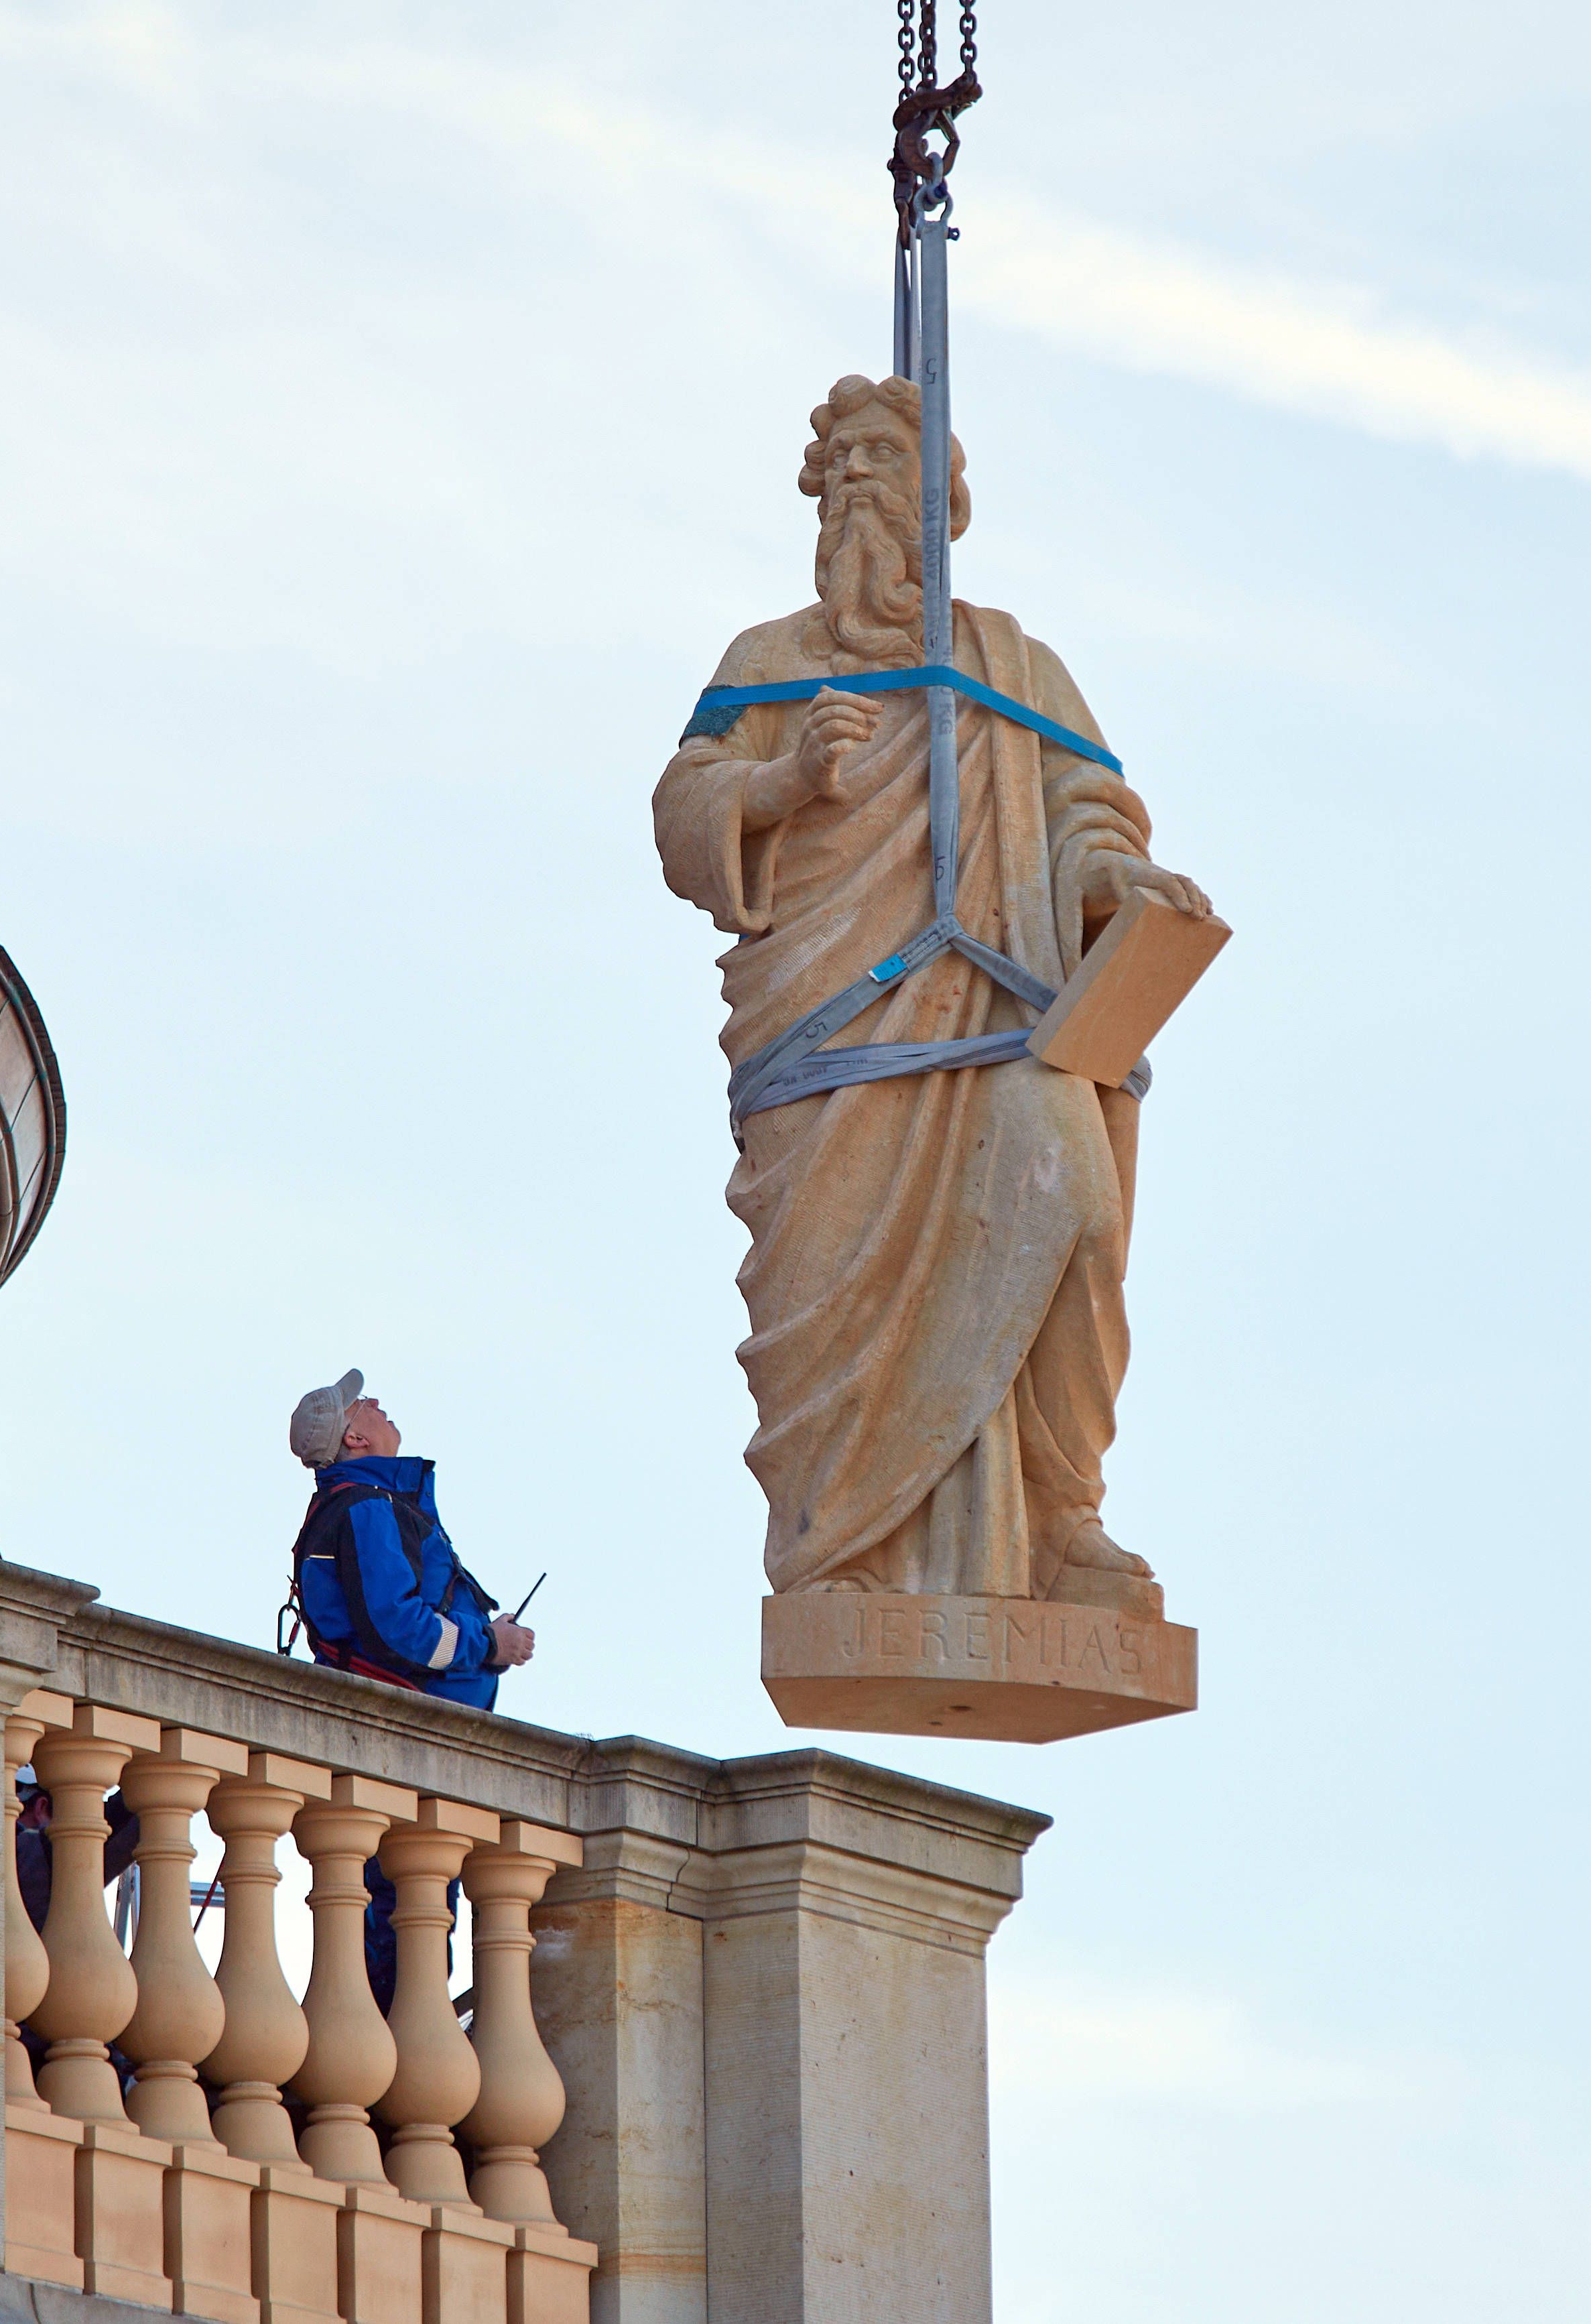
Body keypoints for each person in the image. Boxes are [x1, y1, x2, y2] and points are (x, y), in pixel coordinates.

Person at [653, 375, 1216, 1616]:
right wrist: (784, 780)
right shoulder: (768, 663)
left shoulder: (1013, 665)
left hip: (1003, 1011)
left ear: (940, 503)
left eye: (886, 461)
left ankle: (1063, 1519)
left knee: (1071, 1199)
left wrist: (1117, 877)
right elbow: (682, 808)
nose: (861, 482)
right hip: (833, 1034)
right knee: (836, 1293)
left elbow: (1085, 809)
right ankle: (839, 1544)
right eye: (842, 460)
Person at [282, 1369, 534, 2002]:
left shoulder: (367, 1503)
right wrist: (488, 1645)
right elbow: (398, 1628)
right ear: (356, 1437)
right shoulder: (367, 1506)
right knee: (403, 1921)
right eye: (359, 1402)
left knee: (404, 1914)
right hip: (404, 1744)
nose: (373, 1400)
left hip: (403, 1740)